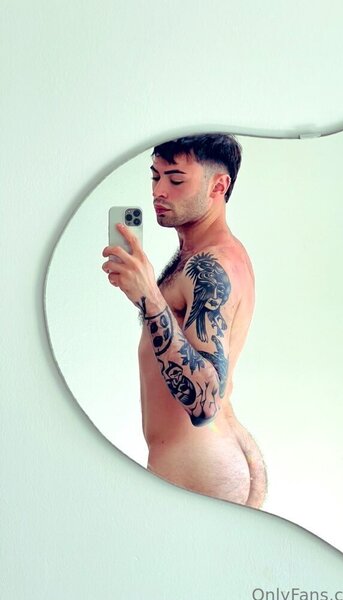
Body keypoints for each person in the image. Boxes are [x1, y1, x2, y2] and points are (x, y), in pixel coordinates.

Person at [102, 133, 266, 508]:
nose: (159, 191)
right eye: (155, 176)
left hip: (198, 470)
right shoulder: (202, 255)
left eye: (176, 179)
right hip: (208, 460)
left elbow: (204, 405)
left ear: (218, 186)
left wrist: (149, 295)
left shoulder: (213, 266)